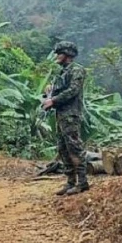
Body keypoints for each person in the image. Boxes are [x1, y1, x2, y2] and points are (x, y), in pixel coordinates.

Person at [42, 41, 89, 196]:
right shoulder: (62, 72)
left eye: (59, 53)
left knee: (74, 147)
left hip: (71, 114)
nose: (57, 56)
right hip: (61, 114)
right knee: (63, 148)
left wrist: (53, 101)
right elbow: (60, 90)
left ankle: (82, 183)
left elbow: (73, 91)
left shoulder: (77, 70)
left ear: (67, 54)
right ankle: (70, 182)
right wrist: (49, 92)